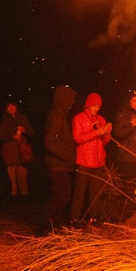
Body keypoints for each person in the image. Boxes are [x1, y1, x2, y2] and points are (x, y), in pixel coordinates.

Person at [69, 92, 112, 227]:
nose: (96, 109)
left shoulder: (101, 119)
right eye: (94, 106)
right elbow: (77, 138)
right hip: (84, 161)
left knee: (95, 193)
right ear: (88, 105)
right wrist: (96, 133)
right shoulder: (78, 118)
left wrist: (107, 133)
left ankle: (94, 217)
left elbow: (104, 142)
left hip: (98, 161)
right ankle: (74, 218)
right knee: (80, 191)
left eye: (98, 106)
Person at [41, 85, 78, 234]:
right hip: (57, 165)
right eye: (70, 99)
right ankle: (46, 227)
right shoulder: (57, 114)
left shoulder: (61, 113)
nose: (72, 102)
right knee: (59, 196)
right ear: (63, 99)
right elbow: (50, 141)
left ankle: (54, 225)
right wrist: (67, 155)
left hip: (62, 165)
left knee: (64, 195)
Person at [0, 100, 35, 202]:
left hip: (22, 153)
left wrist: (24, 131)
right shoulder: (4, 120)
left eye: (13, 106)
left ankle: (24, 197)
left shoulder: (22, 118)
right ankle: (13, 198)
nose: (12, 108)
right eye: (9, 107)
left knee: (22, 177)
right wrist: (11, 136)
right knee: (12, 179)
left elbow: (31, 133)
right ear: (6, 109)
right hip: (9, 153)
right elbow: (0, 136)